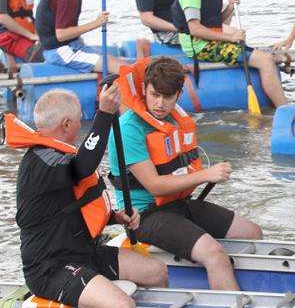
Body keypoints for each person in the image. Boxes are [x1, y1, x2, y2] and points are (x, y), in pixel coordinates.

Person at [7, 86, 168, 308]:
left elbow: (69, 205)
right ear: (66, 125)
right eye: (80, 120)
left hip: (84, 253)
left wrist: (113, 217)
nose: (82, 125)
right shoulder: (41, 159)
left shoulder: (56, 156)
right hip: (51, 268)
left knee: (156, 271)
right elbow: (83, 166)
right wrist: (105, 113)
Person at [108, 56, 263, 291]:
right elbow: (154, 186)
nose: (160, 104)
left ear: (178, 94)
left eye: (167, 97)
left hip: (179, 205)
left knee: (252, 233)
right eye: (154, 95)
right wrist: (206, 175)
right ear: (144, 90)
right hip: (146, 216)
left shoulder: (174, 119)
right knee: (214, 254)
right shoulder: (129, 128)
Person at [170, 0, 287, 106]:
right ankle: (286, 109)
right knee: (265, 61)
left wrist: (230, 7)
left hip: (209, 41)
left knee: (267, 55)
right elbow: (195, 29)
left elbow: (216, 22)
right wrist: (229, 38)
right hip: (199, 46)